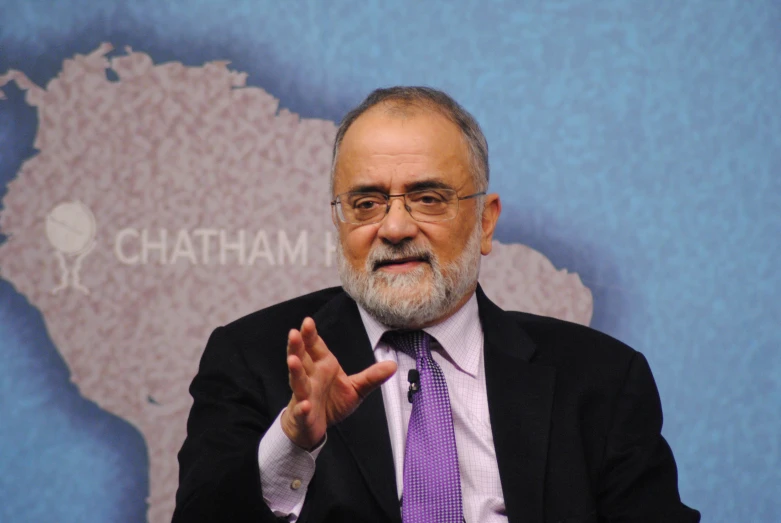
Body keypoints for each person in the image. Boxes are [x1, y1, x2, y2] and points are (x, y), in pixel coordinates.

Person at [173, 86, 700, 523]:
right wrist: (293, 441)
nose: (396, 228)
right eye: (366, 203)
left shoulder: (601, 378)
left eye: (428, 198)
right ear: (339, 222)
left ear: (486, 221)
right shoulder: (253, 360)